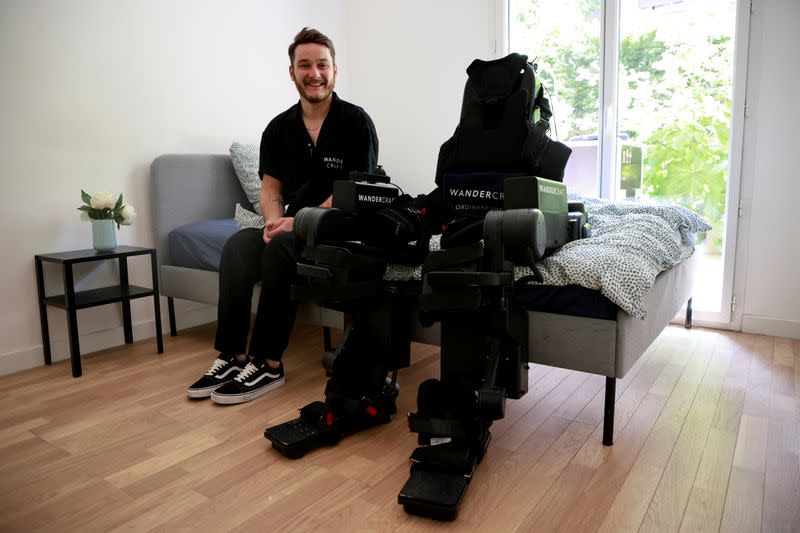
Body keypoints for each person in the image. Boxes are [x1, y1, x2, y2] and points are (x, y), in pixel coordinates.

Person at [186, 27, 379, 404]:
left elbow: (353, 192)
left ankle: (268, 363)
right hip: (292, 226)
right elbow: (271, 188)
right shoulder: (278, 129)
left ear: (335, 71)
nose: (314, 73)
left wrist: (298, 222)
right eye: (304, 65)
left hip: (342, 228)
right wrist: (274, 221)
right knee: (240, 244)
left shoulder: (356, 123)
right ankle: (232, 354)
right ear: (292, 72)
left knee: (284, 246)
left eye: (322, 65)